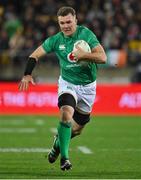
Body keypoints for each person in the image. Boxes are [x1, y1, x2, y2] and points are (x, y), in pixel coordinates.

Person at [18, 6, 107, 171]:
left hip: (88, 87)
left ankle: (57, 145)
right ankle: (65, 158)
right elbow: (34, 55)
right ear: (59, 23)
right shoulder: (56, 40)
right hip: (67, 84)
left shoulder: (86, 35)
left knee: (77, 129)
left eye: (69, 22)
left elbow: (102, 57)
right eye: (62, 23)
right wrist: (27, 74)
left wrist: (84, 56)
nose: (66, 26)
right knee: (65, 113)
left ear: (75, 20)